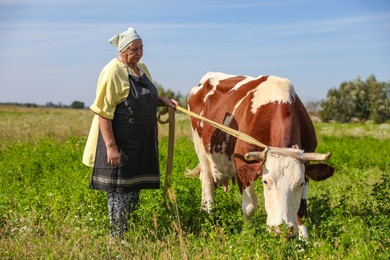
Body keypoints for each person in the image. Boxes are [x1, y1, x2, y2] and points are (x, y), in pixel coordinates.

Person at [82, 27, 178, 243]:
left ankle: (126, 236)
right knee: (119, 192)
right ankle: (116, 242)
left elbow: (148, 94)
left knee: (133, 191)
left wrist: (162, 100)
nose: (140, 53)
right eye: (134, 49)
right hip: (120, 143)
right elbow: (103, 113)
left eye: (141, 48)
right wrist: (111, 147)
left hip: (140, 142)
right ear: (122, 51)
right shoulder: (112, 71)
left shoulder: (141, 68)